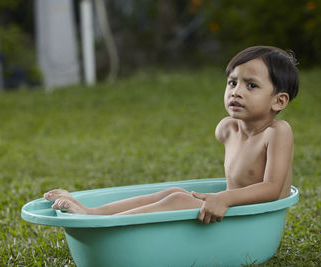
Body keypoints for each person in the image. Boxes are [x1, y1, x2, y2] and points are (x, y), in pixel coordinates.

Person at [44, 46, 299, 224]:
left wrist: (225, 198)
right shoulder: (228, 129)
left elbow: (272, 189)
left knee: (179, 198)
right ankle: (94, 213)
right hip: (227, 206)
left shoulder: (277, 133)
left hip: (253, 218)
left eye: (251, 85)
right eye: (232, 82)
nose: (236, 91)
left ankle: (107, 224)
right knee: (175, 191)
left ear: (279, 101)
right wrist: (222, 199)